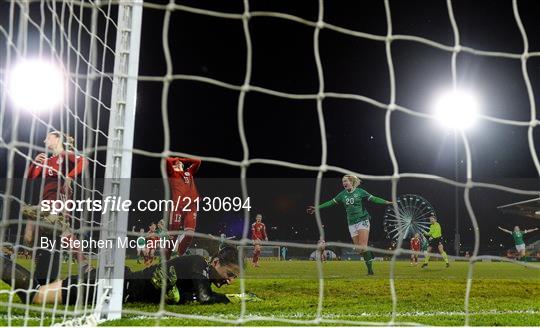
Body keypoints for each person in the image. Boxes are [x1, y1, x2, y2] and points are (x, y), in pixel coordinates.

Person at [1, 246, 259, 305]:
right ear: (215, 262)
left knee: (38, 290)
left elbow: (194, 295)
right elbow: (204, 298)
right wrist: (229, 299)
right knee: (34, 296)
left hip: (116, 284)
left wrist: (236, 293)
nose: (229, 279)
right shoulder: (197, 264)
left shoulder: (198, 271)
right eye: (229, 273)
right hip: (112, 287)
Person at [22, 131, 87, 285]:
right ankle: (44, 272)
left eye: (48, 137)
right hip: (44, 203)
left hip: (60, 201)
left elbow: (84, 161)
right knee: (30, 236)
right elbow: (30, 177)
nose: (45, 141)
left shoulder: (65, 154)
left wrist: (70, 176)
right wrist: (34, 163)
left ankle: (84, 265)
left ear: (58, 139)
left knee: (62, 232)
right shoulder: (47, 160)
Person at [307, 175, 391, 275]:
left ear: (351, 181)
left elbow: (374, 199)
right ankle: (370, 253)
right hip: (351, 223)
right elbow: (330, 202)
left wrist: (386, 202)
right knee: (359, 250)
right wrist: (317, 207)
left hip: (362, 220)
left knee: (363, 247)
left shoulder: (360, 192)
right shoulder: (342, 194)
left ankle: (370, 270)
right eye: (343, 182)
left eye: (346, 181)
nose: (344, 183)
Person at [166, 156, 201, 260]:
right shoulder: (172, 174)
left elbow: (198, 161)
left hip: (191, 206)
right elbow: (167, 160)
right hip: (177, 207)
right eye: (175, 164)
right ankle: (166, 258)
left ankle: (179, 257)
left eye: (179, 163)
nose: (178, 163)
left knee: (189, 234)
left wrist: (182, 159)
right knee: (173, 236)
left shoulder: (188, 173)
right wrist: (175, 159)